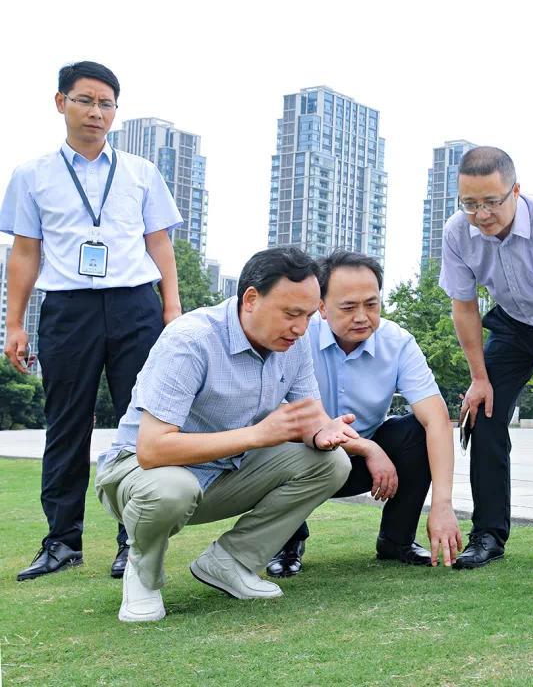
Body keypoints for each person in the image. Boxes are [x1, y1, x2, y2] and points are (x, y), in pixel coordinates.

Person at [93, 247, 354, 622]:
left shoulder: (294, 344)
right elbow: (151, 449)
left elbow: (309, 415)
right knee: (172, 488)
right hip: (139, 475)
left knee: (332, 463)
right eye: (291, 313)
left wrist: (324, 433)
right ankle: (144, 575)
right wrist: (257, 435)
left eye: (309, 315)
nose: (301, 327)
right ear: (251, 299)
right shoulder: (190, 339)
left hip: (224, 472)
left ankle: (230, 562)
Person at [1, 61, 183, 581]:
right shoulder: (32, 174)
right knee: (65, 426)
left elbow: (159, 243)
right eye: (85, 100)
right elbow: (25, 253)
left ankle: (135, 540)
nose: (96, 112)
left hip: (134, 306)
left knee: (143, 424)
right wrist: (14, 323)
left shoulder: (141, 172)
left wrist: (171, 307)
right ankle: (61, 542)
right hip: (68, 308)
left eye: (106, 104)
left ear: (115, 112)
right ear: (61, 103)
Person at [439, 146, 533, 570]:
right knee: (483, 414)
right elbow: (464, 308)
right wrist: (478, 378)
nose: (481, 214)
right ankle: (488, 533)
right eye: (470, 203)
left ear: (515, 191)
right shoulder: (456, 233)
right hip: (512, 322)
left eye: (492, 202)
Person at [265, 251, 462, 576]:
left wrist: (442, 503)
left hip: (364, 467)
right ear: (322, 308)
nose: (362, 316)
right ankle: (287, 542)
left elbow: (437, 419)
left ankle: (396, 541)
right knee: (277, 441)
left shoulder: (397, 343)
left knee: (415, 430)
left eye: (371, 305)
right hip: (303, 457)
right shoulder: (296, 338)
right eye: (348, 307)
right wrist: (365, 447)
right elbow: (279, 416)